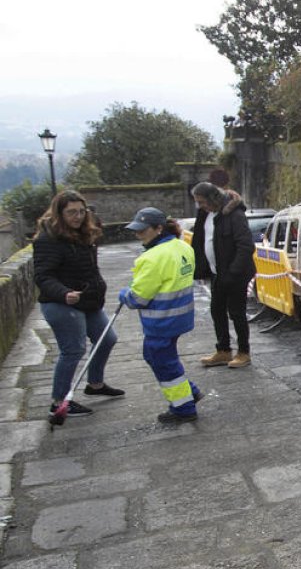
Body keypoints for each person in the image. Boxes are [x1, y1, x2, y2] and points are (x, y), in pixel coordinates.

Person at [33, 191, 124, 418]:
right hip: (60, 304)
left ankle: (95, 385)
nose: (78, 217)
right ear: (59, 213)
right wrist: (64, 293)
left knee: (107, 339)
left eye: (82, 212)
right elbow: (43, 277)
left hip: (87, 301)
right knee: (73, 350)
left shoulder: (84, 234)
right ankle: (59, 402)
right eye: (72, 212)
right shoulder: (47, 239)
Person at [119, 207, 203, 423]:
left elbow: (137, 298)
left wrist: (124, 295)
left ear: (158, 229)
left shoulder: (152, 258)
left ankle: (184, 407)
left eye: (142, 230)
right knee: (164, 358)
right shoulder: (183, 247)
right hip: (181, 316)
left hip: (161, 320)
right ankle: (190, 392)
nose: (138, 235)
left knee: (160, 360)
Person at [189, 181, 256, 368]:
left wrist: (233, 272)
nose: (199, 206)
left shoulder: (234, 214)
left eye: (201, 202)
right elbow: (201, 241)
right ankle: (224, 351)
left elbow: (246, 246)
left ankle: (244, 352)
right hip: (217, 272)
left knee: (237, 313)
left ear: (212, 199)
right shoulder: (206, 214)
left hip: (236, 274)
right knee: (217, 311)